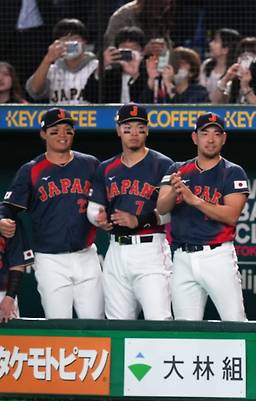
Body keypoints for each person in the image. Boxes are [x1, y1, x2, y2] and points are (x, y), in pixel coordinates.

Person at [0, 108, 103, 319]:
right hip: (50, 259)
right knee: (58, 324)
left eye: (67, 130)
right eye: (55, 131)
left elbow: (107, 199)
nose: (62, 135)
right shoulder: (31, 169)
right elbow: (8, 207)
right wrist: (1, 220)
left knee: (95, 323)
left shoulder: (90, 164)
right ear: (43, 134)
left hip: (86, 255)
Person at [156, 112, 249, 321]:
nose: (210, 139)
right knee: (185, 330)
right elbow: (161, 208)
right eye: (205, 133)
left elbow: (231, 215)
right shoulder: (177, 169)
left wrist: (194, 199)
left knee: (234, 322)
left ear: (224, 138)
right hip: (182, 257)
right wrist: (174, 190)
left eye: (216, 134)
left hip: (217, 255)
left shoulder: (233, 172)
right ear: (195, 137)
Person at [87, 104, 173, 320]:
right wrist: (99, 219)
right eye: (127, 127)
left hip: (151, 249)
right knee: (117, 323)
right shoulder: (105, 168)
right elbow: (94, 209)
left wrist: (139, 220)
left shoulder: (164, 165)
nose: (134, 133)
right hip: (116, 249)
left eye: (139, 127)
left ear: (147, 130)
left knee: (159, 320)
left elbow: (171, 212)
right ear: (118, 130)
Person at [25, 18, 98, 104]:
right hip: (60, 117)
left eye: (75, 38)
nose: (70, 42)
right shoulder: (51, 70)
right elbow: (34, 90)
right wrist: (47, 60)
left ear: (84, 42)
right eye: (64, 39)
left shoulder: (97, 67)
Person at [85, 26, 148, 104]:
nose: (128, 51)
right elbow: (89, 96)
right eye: (124, 48)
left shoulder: (149, 74)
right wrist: (102, 66)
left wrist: (135, 75)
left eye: (133, 48)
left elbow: (149, 100)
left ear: (142, 52)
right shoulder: (110, 75)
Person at [214, 37, 256, 104]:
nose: (246, 58)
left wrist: (245, 87)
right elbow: (215, 104)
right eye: (242, 54)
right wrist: (225, 80)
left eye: (252, 53)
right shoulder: (233, 83)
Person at [143, 46, 209, 103]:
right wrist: (151, 79)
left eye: (181, 63)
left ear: (192, 72)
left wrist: (169, 85)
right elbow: (143, 107)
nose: (176, 67)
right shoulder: (162, 88)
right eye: (173, 63)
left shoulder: (199, 92)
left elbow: (182, 111)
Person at [104, 0, 176, 51]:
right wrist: (143, 52)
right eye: (163, 5)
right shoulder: (123, 17)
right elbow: (113, 52)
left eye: (169, 4)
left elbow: (167, 49)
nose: (167, 8)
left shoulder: (161, 18)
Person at [0, 218, 34, 323]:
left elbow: (17, 264)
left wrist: (9, 298)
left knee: (9, 337)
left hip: (2, 294)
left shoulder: (7, 217)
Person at [200, 28, 241, 101]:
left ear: (225, 49)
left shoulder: (235, 71)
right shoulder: (206, 65)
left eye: (216, 41)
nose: (210, 44)